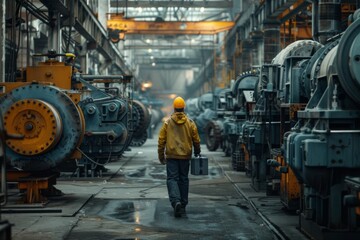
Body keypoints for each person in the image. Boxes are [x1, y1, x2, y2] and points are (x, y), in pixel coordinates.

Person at [158, 96, 201, 217]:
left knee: (172, 179)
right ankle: (183, 204)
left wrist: (161, 156)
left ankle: (176, 201)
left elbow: (161, 140)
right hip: (185, 156)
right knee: (183, 179)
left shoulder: (167, 123)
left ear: (174, 108)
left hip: (172, 156)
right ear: (183, 108)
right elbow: (196, 139)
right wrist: (197, 151)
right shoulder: (190, 122)